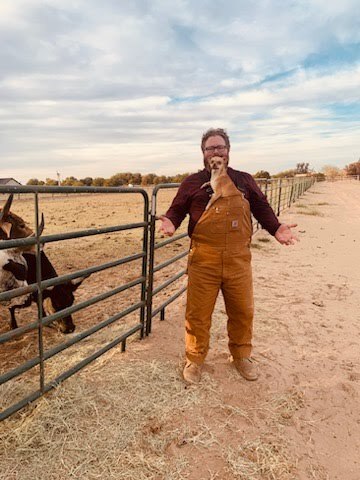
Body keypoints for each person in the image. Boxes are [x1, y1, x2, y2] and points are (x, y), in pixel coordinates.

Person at [158, 128, 297, 384]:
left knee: (243, 311)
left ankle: (241, 356)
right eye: (210, 148)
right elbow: (176, 210)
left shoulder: (243, 180)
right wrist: (170, 222)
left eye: (220, 147)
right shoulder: (191, 182)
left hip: (238, 259)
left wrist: (277, 228)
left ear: (228, 151)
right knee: (198, 314)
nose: (215, 152)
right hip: (203, 259)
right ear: (203, 153)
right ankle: (195, 359)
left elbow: (261, 208)